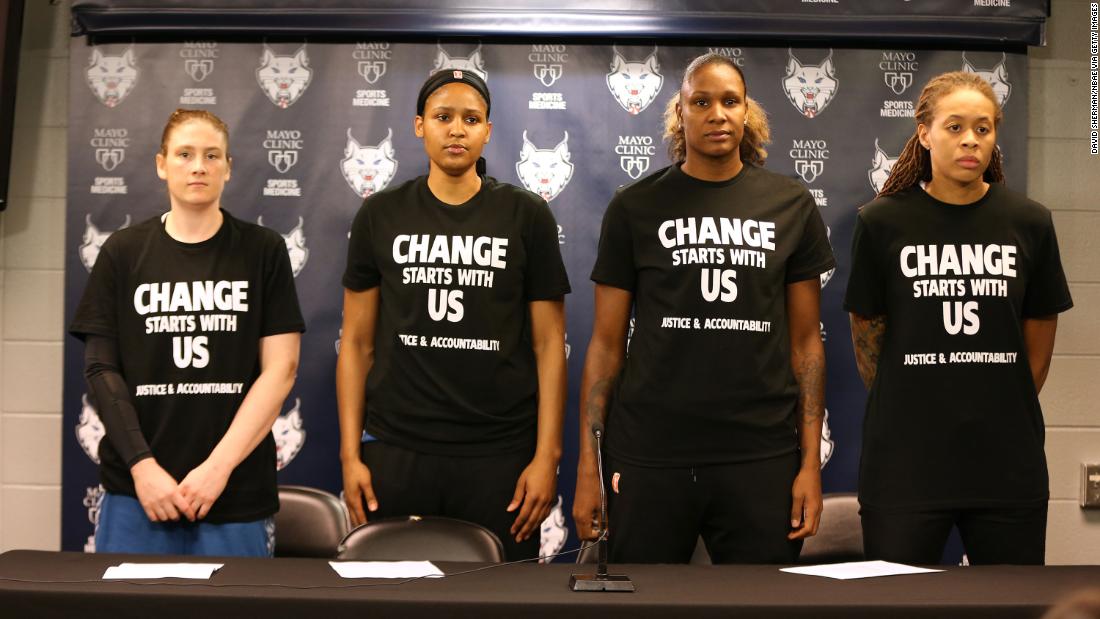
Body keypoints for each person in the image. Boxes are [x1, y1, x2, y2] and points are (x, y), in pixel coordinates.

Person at [572, 53, 833, 564]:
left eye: (729, 101)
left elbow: (806, 343)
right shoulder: (635, 207)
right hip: (650, 452)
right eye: (701, 101)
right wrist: (589, 465)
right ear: (680, 115)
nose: (717, 113)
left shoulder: (790, 203)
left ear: (746, 113)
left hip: (759, 453)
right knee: (642, 602)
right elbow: (605, 344)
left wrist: (810, 466)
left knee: (759, 606)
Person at [337, 69, 570, 561]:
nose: (457, 129)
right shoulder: (381, 213)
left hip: (499, 451)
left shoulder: (527, 215)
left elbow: (550, 344)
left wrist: (547, 456)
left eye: (471, 118)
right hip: (397, 449)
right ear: (420, 125)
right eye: (443, 117)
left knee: (498, 599)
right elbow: (356, 344)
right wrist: (350, 453)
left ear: (488, 130)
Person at [845, 71, 1072, 565]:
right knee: (896, 604)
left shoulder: (1030, 222)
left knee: (1011, 605)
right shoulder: (880, 222)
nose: (970, 139)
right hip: (905, 461)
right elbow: (867, 337)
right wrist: (913, 405)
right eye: (954, 127)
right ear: (924, 133)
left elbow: (1038, 341)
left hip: (1006, 462)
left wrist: (995, 404)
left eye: (984, 128)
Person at [70, 109, 304, 556]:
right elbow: (101, 368)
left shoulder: (263, 251)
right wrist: (143, 468)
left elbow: (282, 370)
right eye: (184, 154)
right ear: (162, 164)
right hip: (139, 493)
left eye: (211, 155)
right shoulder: (122, 251)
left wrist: (218, 469)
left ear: (228, 167)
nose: (198, 165)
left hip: (232, 491)